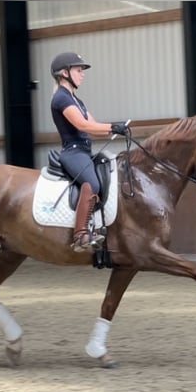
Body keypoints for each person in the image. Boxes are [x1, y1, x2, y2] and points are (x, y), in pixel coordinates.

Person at [50, 51, 130, 252]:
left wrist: (116, 128)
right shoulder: (61, 98)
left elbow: (93, 125)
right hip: (73, 152)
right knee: (92, 183)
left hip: (85, 151)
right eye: (78, 70)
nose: (82, 74)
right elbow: (82, 125)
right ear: (64, 73)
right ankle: (80, 235)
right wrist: (112, 127)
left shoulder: (76, 100)